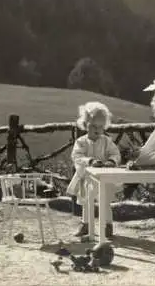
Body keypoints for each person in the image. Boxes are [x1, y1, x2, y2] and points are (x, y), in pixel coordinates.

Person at [67, 101, 121, 238]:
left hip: (104, 177)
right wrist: (89, 161)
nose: (97, 130)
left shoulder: (106, 141)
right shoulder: (81, 141)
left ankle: (107, 225)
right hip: (86, 177)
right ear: (85, 125)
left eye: (101, 127)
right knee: (86, 202)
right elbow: (76, 156)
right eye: (93, 126)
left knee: (105, 201)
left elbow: (115, 153)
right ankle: (86, 225)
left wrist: (111, 161)